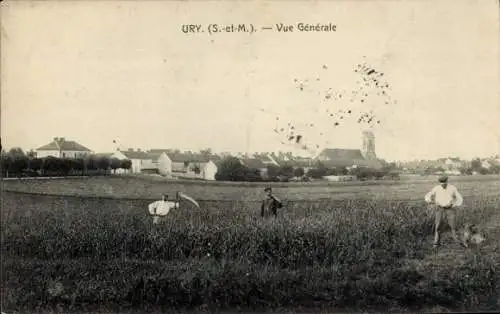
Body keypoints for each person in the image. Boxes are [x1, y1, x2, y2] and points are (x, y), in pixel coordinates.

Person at [424, 175, 464, 248]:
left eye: (444, 183)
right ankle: (436, 244)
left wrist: (453, 204)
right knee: (438, 226)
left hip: (450, 209)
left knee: (453, 226)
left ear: (447, 181)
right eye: (441, 184)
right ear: (439, 183)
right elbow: (427, 196)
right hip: (439, 209)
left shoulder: (452, 188)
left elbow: (460, 199)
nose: (443, 185)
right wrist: (432, 202)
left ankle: (458, 243)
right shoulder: (436, 188)